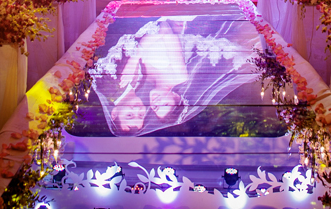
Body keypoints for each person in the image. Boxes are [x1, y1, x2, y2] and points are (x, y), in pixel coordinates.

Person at [93, 14, 259, 136]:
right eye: (164, 104)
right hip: (163, 16)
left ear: (114, 113)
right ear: (176, 97)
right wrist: (135, 59)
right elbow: (165, 30)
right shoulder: (179, 76)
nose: (138, 109)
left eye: (154, 108)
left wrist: (134, 59)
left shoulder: (141, 82)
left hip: (134, 18)